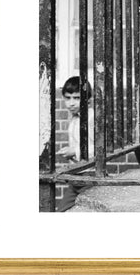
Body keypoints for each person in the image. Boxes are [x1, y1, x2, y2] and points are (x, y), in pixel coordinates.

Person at [57, 76, 94, 211]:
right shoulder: (74, 118)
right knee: (61, 210)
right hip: (76, 178)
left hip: (90, 177)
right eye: (68, 98)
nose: (71, 103)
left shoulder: (91, 117)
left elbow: (102, 149)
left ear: (87, 98)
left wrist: (75, 151)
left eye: (76, 98)